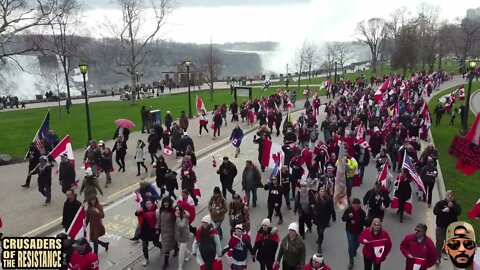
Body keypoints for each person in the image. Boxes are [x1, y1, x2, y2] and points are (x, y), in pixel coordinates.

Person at [433, 190, 461, 264]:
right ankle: (437, 258)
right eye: (448, 195)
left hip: (450, 228)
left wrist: (452, 207)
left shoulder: (456, 205)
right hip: (440, 226)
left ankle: (445, 251)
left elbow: (458, 212)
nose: (449, 197)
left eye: (451, 196)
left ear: (453, 197)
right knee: (439, 241)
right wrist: (442, 211)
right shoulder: (440, 203)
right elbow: (435, 211)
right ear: (446, 196)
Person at [135, 198, 162, 266]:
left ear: (152, 204)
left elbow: (158, 221)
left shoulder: (156, 211)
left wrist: (157, 229)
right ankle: (146, 258)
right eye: (147, 204)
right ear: (145, 204)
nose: (148, 205)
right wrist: (137, 211)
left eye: (150, 203)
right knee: (144, 246)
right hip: (144, 232)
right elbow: (137, 214)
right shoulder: (142, 210)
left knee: (155, 243)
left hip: (153, 230)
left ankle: (162, 247)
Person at [342, 198, 367, 269]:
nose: (356, 206)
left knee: (357, 243)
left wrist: (357, 222)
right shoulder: (348, 210)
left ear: (359, 205)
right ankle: (351, 261)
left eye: (357, 205)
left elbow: (364, 222)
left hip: (359, 231)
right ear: (352, 204)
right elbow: (343, 219)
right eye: (354, 205)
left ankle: (354, 250)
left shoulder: (362, 212)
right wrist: (348, 217)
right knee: (350, 245)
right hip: (350, 231)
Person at [312, 187, 336, 255]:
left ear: (325, 192)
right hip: (317, 218)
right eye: (320, 191)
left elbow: (332, 209)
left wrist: (333, 217)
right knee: (318, 229)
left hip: (325, 218)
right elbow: (313, 206)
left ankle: (319, 244)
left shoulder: (328, 200)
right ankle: (319, 238)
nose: (322, 192)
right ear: (319, 192)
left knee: (321, 231)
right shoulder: (316, 199)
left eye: (323, 191)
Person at [159, 197, 176, 269]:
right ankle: (176, 249)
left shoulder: (172, 211)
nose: (166, 203)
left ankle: (166, 263)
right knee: (170, 245)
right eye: (164, 202)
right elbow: (159, 220)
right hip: (163, 232)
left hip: (171, 232)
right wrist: (157, 228)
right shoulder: (161, 210)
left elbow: (176, 222)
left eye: (167, 202)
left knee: (166, 248)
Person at [174, 205, 192, 270]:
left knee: (181, 251)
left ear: (181, 210)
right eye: (176, 210)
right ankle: (189, 253)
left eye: (178, 209)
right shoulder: (177, 215)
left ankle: (180, 266)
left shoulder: (185, 216)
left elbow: (181, 225)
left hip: (185, 236)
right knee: (182, 248)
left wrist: (177, 217)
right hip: (179, 235)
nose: (177, 211)